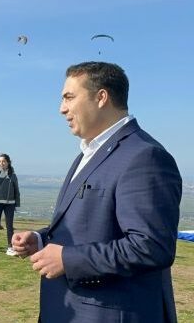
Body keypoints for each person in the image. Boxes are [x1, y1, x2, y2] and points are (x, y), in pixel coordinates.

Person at [12, 61, 182, 323]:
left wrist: (68, 259)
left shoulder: (144, 156)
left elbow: (152, 246)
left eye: (69, 97)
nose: (62, 109)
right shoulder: (90, 153)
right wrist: (41, 239)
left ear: (101, 97)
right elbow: (93, 225)